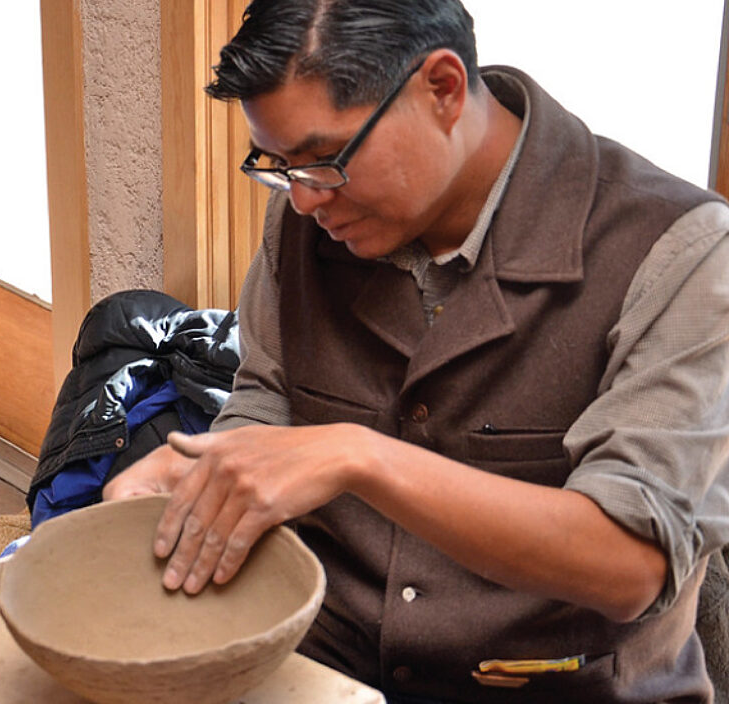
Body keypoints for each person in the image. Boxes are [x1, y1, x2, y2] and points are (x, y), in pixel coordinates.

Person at [103, 1, 729, 701]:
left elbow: (631, 566)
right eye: (280, 166)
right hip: (323, 665)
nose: (302, 201)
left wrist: (359, 457)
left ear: (443, 89)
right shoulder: (309, 214)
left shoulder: (681, 251)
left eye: (324, 158)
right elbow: (268, 398)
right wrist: (210, 472)